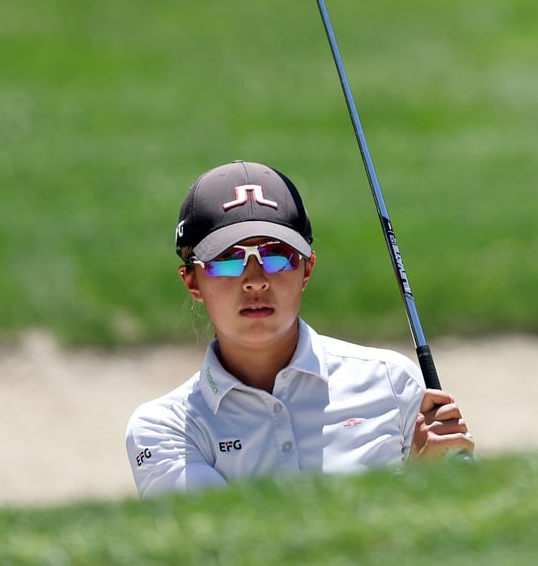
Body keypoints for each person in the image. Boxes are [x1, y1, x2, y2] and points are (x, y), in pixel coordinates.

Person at [125, 160, 473, 497]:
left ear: (306, 270)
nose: (255, 281)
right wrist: (412, 483)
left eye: (277, 255)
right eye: (228, 260)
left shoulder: (392, 383)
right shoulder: (162, 429)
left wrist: (441, 481)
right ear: (192, 282)